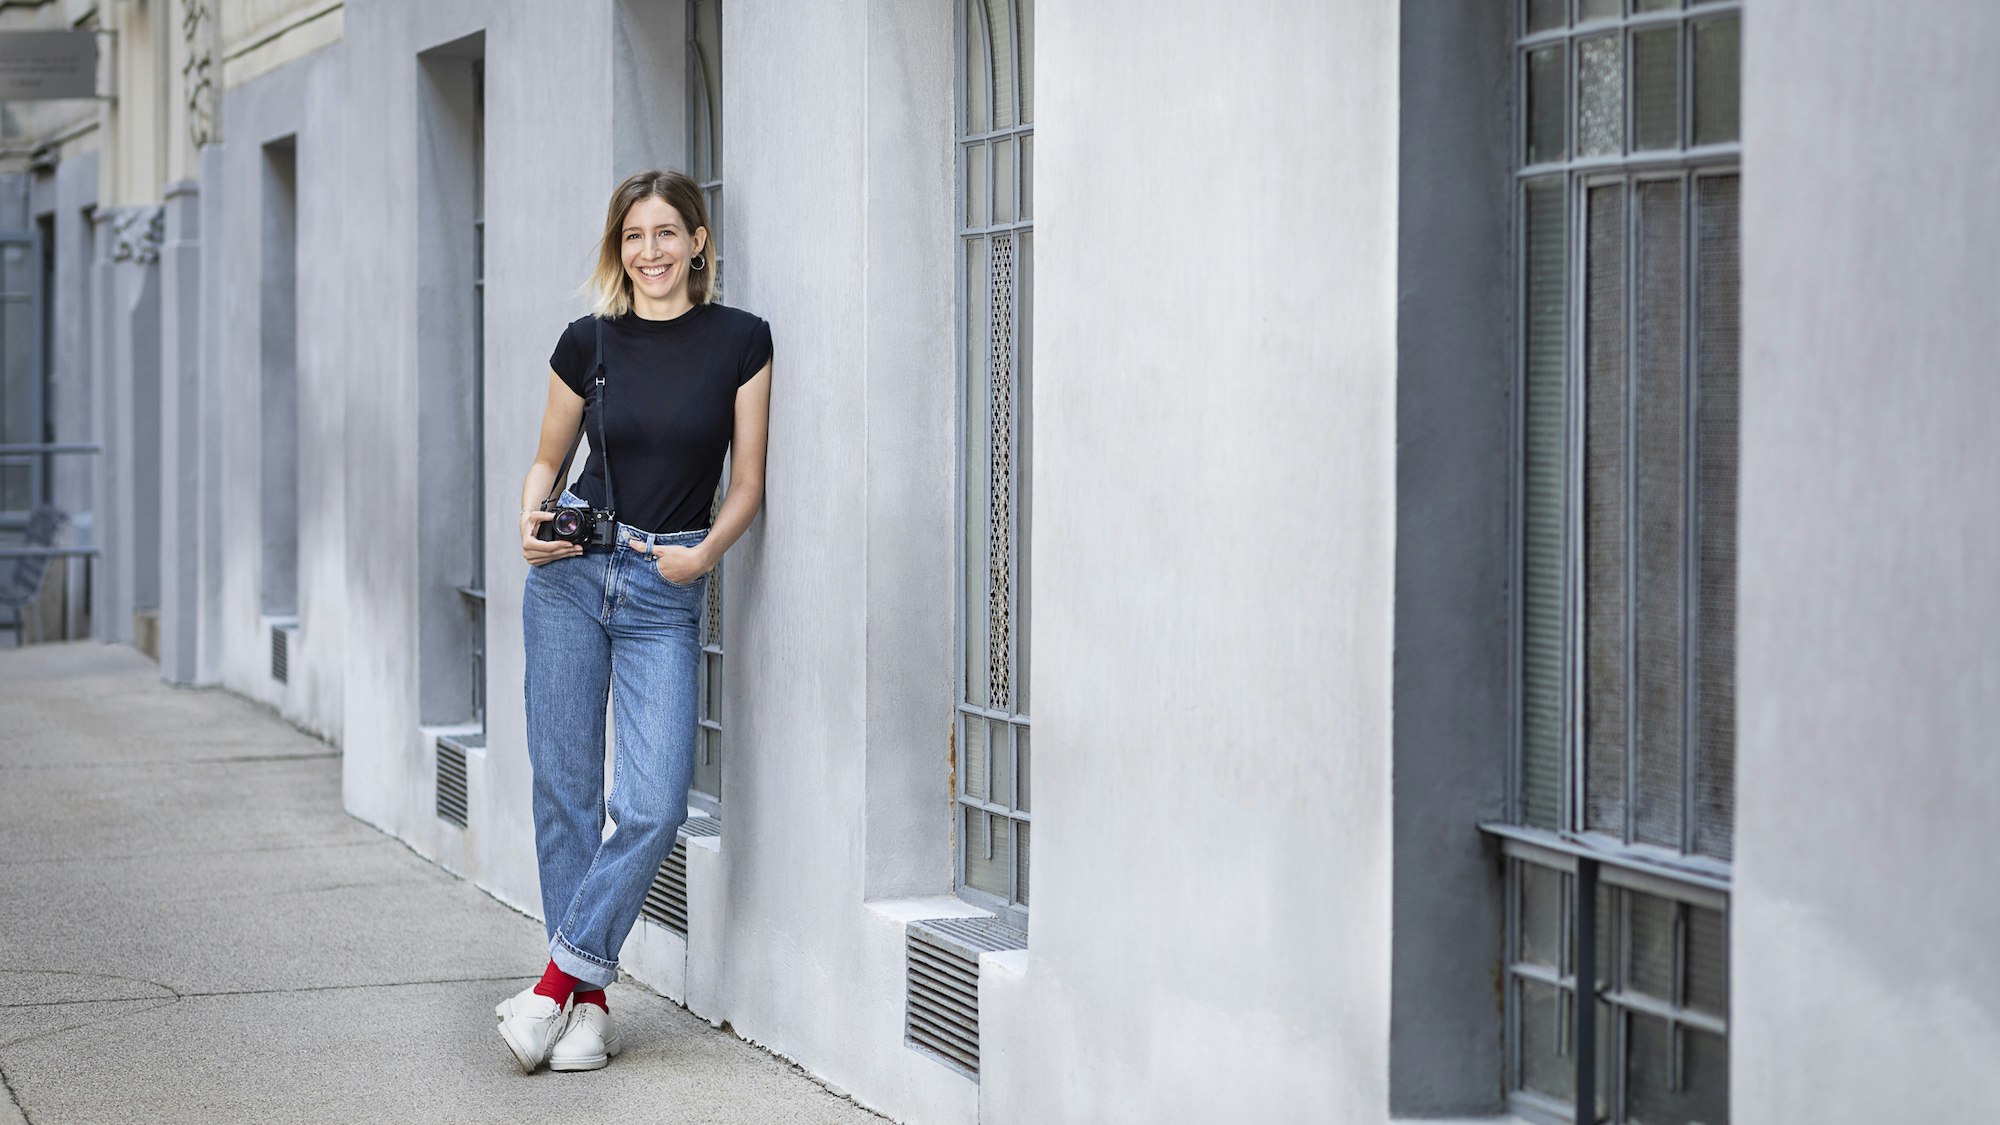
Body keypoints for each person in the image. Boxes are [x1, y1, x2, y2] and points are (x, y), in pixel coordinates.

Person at [496, 170, 772, 1073]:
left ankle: (551, 982)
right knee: (566, 790)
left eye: (666, 234)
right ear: (620, 248)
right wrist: (530, 522)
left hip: (667, 582)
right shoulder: (588, 342)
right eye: (633, 237)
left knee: (651, 802)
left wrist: (704, 557)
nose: (649, 252)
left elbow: (748, 484)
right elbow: (548, 459)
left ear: (699, 240)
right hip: (572, 576)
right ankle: (588, 1010)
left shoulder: (742, 340)